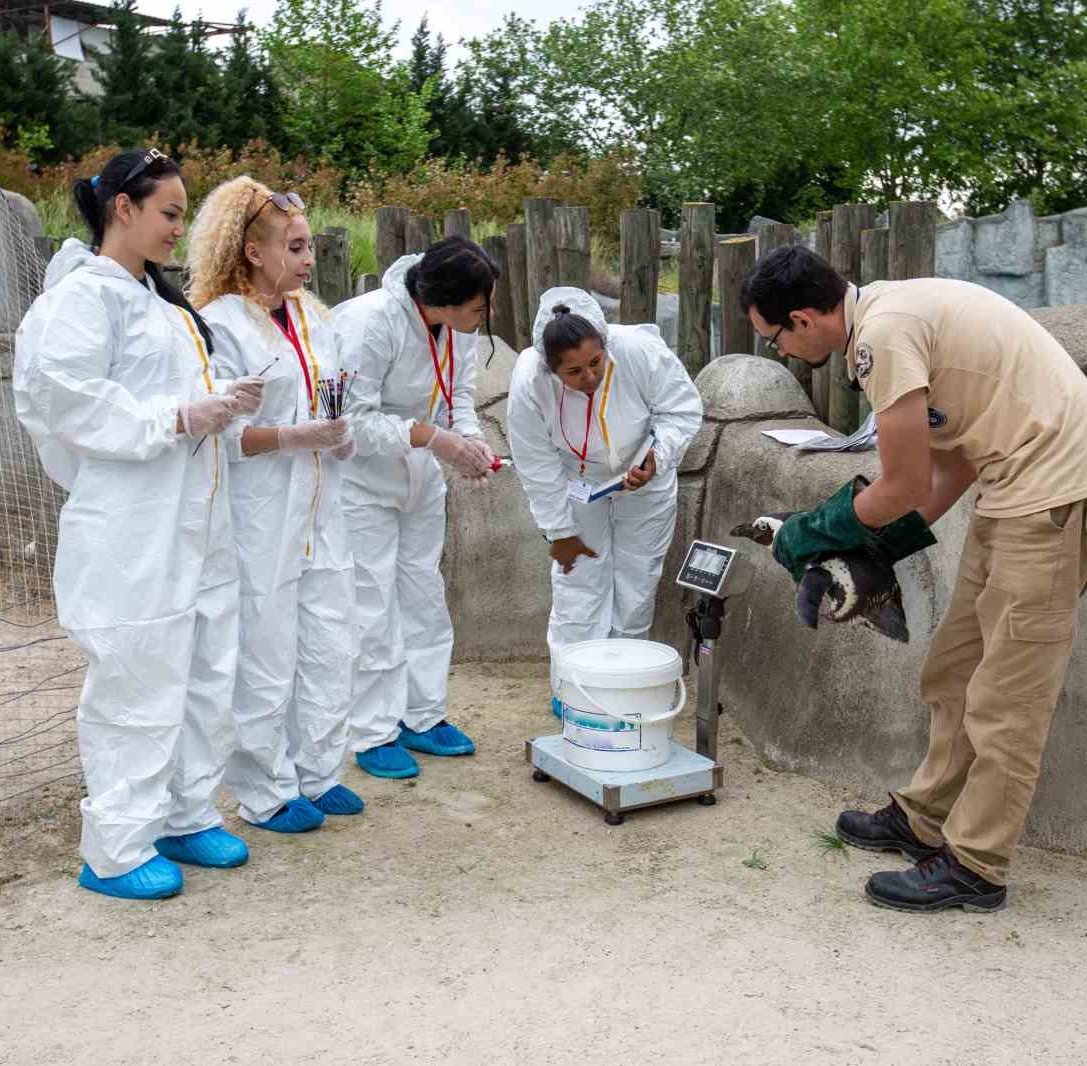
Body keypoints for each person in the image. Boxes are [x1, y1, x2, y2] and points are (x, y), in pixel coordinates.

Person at [742, 245, 1087, 914]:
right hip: (1017, 493)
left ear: (806, 319)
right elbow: (950, 467)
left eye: (775, 336)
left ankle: (977, 865)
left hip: (1059, 499)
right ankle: (925, 817)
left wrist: (813, 533)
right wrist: (881, 549)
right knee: (955, 666)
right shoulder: (893, 314)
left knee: (1007, 696)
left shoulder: (883, 336)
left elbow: (901, 482)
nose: (779, 351)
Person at [14, 148, 263, 901]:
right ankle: (117, 848)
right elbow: (66, 400)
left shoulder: (159, 304)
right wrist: (179, 416)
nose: (178, 230)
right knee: (137, 680)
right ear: (122, 208)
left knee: (203, 669)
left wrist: (218, 398)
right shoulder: (83, 299)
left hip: (195, 517)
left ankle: (185, 811)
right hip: (133, 525)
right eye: (169, 213)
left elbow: (165, 393)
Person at [189, 177, 367, 832]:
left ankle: (318, 771)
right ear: (253, 251)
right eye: (294, 247)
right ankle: (265, 790)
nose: (307, 259)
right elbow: (221, 435)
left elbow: (333, 394)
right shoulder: (222, 325)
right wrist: (295, 436)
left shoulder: (314, 318)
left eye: (309, 245)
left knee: (329, 640)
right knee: (265, 652)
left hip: (321, 506)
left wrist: (337, 434)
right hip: (261, 512)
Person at [330, 237, 499, 779]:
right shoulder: (370, 323)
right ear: (445, 298)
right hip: (361, 482)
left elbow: (460, 397)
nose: (485, 314)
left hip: (421, 476)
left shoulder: (457, 329)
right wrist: (434, 438)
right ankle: (373, 731)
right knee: (371, 603)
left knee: (424, 594)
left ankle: (422, 715)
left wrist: (470, 447)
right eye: (478, 305)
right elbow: (348, 421)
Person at [505, 288, 703, 713]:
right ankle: (572, 688)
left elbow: (682, 409)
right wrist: (559, 531)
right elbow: (536, 464)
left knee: (637, 581)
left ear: (605, 344)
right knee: (579, 582)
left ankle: (622, 685)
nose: (589, 376)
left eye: (595, 363)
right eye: (573, 372)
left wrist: (657, 456)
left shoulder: (637, 348)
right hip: (575, 482)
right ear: (550, 368)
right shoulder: (528, 380)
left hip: (643, 475)